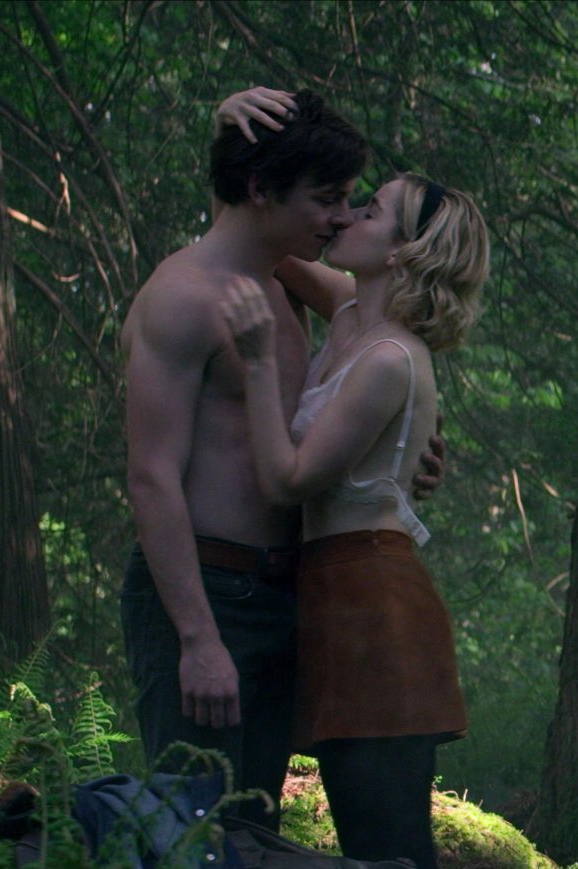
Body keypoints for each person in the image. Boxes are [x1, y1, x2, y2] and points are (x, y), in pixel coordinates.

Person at [119, 90, 443, 831]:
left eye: (350, 200)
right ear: (264, 190)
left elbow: (386, 341)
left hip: (289, 590)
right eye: (326, 199)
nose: (340, 217)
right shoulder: (182, 299)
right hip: (208, 589)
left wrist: (411, 446)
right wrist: (198, 638)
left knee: (254, 832)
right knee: (198, 832)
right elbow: (151, 477)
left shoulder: (284, 280)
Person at [218, 162, 488, 867]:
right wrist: (234, 134)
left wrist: (258, 364)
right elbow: (258, 233)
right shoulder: (349, 310)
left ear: (401, 251)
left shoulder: (390, 358)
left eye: (370, 211)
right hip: (331, 597)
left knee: (387, 848)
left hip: (375, 610)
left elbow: (289, 481)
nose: (346, 216)